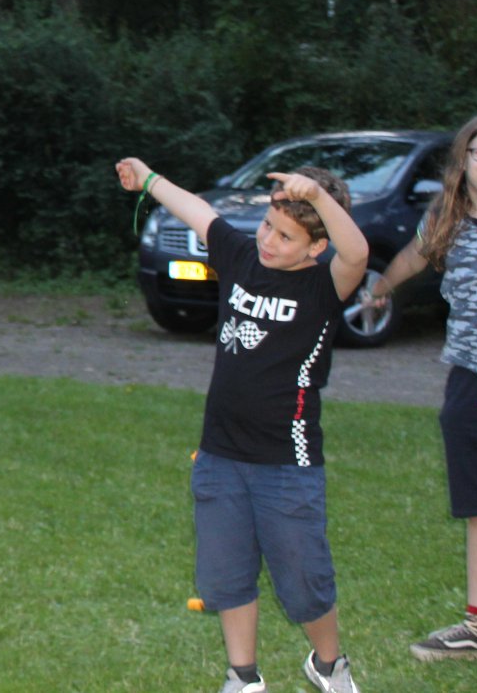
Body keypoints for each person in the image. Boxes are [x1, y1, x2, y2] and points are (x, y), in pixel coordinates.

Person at [115, 158, 367, 693]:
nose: (269, 240)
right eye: (268, 225)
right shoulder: (241, 257)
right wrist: (150, 179)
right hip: (220, 455)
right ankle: (244, 677)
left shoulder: (324, 287)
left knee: (303, 581)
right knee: (227, 575)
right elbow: (201, 213)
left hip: (287, 462)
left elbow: (359, 252)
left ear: (315, 247)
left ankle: (328, 664)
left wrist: (320, 200)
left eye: (286, 235)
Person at [361, 114, 477, 662]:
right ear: (464, 161)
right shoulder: (448, 218)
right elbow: (416, 254)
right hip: (469, 378)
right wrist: (383, 286)